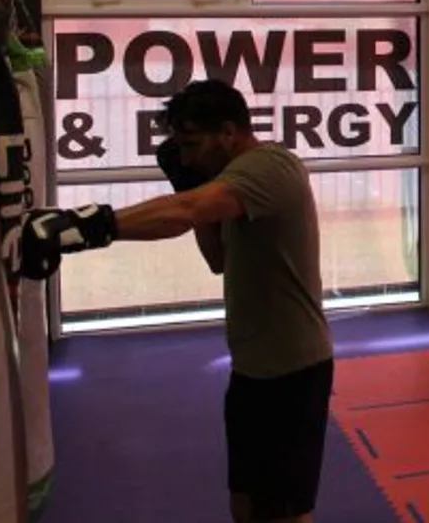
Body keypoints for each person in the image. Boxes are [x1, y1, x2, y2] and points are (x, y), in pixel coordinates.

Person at [20, 79, 333, 523]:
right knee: (245, 504)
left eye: (191, 145)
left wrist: (88, 226)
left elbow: (184, 211)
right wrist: (194, 181)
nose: (184, 158)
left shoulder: (271, 166)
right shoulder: (229, 183)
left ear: (228, 132)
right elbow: (217, 259)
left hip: (293, 370)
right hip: (252, 368)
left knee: (284, 511)